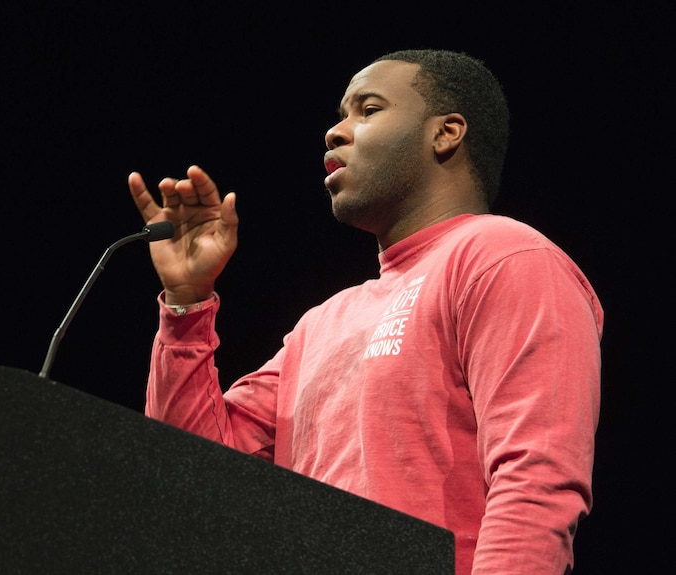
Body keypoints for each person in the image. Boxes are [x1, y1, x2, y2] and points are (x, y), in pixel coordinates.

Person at [127, 49, 603, 575]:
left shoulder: (502, 257)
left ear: (446, 133)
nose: (334, 132)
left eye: (367, 109)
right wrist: (188, 300)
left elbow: (534, 481)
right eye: (340, 113)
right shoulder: (321, 324)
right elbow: (192, 475)